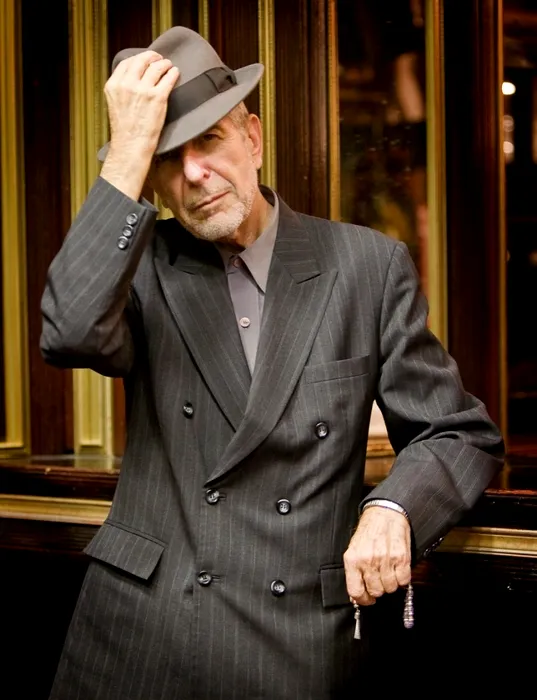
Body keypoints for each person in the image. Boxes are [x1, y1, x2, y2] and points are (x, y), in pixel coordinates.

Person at [41, 26, 503, 700]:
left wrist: (394, 507)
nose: (193, 174)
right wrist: (127, 154)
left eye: (209, 140)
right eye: (166, 159)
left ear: (252, 138)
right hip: (140, 636)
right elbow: (68, 331)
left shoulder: (366, 266)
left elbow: (457, 432)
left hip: (292, 641)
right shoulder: (138, 268)